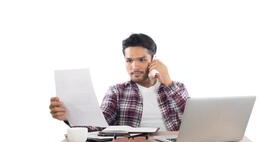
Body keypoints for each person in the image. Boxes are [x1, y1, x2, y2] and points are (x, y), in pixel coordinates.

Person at [49, 33, 189, 131]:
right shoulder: (117, 91)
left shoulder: (176, 88)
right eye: (129, 61)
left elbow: (193, 120)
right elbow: (99, 125)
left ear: (153, 60)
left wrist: (169, 83)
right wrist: (69, 117)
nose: (134, 67)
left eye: (142, 59)